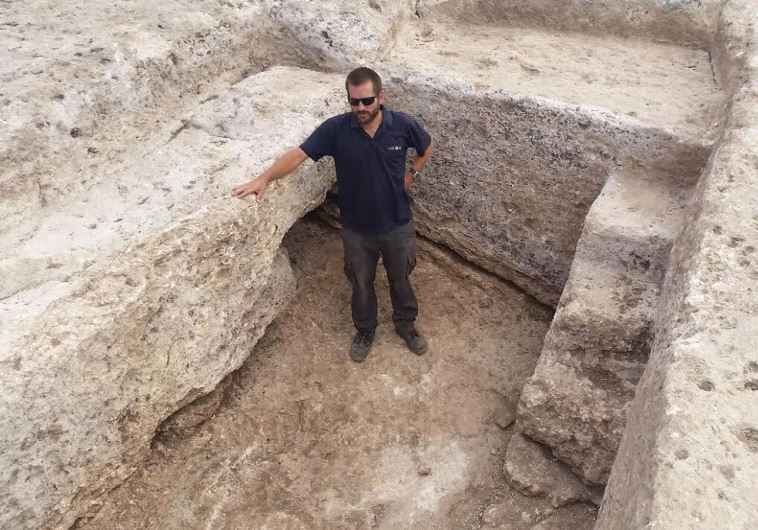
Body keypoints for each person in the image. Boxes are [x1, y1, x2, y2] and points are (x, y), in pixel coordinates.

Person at [232, 67, 434, 362]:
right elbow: (299, 154)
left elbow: (426, 146)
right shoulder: (336, 129)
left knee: (401, 278)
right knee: (360, 282)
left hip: (397, 224)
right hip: (356, 229)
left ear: (381, 97)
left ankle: (406, 324)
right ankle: (365, 329)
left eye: (367, 100)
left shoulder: (402, 125)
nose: (360, 108)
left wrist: (411, 174)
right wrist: (264, 178)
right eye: (354, 101)